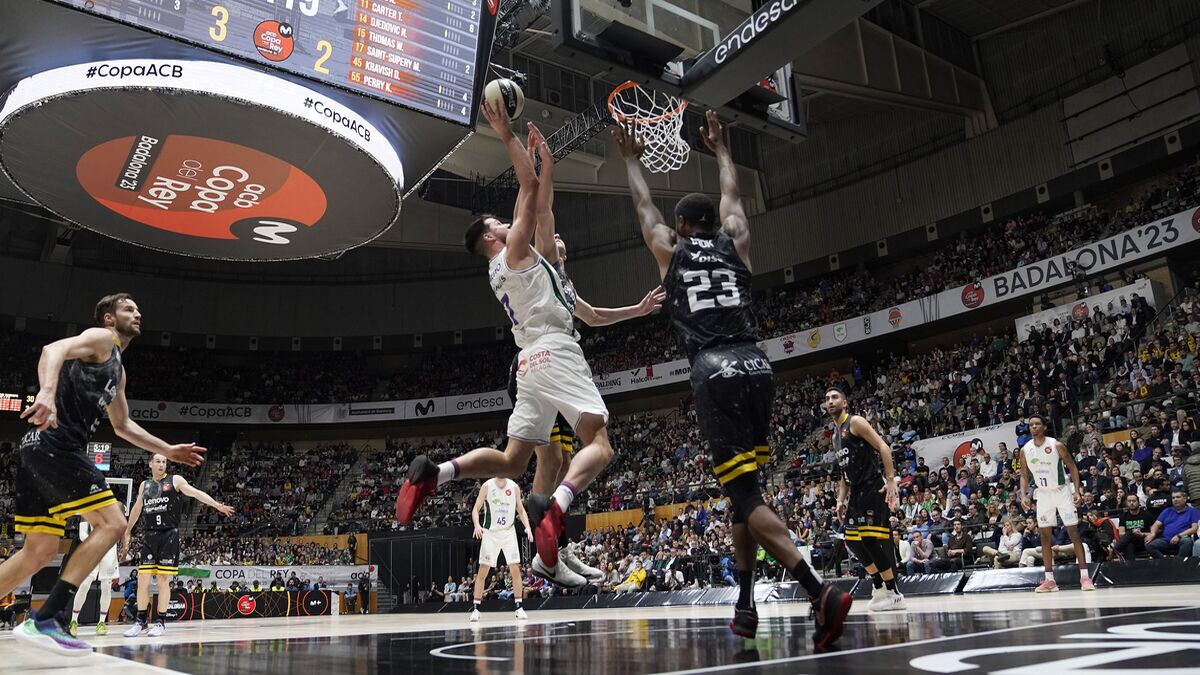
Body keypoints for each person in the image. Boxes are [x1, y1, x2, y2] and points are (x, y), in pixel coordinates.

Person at [614, 111, 851, 649]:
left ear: (680, 228)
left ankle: (819, 591)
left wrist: (631, 159)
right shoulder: (735, 242)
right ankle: (745, 604)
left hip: (714, 367)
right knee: (743, 493)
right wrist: (721, 149)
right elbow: (734, 198)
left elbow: (642, 207)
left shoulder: (669, 251)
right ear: (715, 225)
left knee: (744, 495)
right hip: (757, 364)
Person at [396, 102, 630, 581]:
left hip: (528, 362)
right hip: (556, 350)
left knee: (512, 459)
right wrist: (506, 136)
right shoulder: (514, 252)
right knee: (600, 445)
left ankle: (434, 473)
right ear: (489, 235)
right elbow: (526, 194)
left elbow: (541, 205)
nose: (507, 222)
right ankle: (555, 507)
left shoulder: (507, 269)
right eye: (497, 224)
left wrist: (547, 167)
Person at [0, 293, 206, 656]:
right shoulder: (101, 339)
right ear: (109, 318)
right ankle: (50, 619)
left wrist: (168, 449)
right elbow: (52, 350)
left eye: (138, 309)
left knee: (38, 552)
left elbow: (123, 425)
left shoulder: (118, 369)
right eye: (128, 309)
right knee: (113, 523)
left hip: (37, 449)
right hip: (57, 444)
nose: (137, 313)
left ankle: (47, 618)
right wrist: (47, 392)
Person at [510, 126, 660, 586]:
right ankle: (546, 550)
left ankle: (553, 550)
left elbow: (593, 316)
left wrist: (637, 308)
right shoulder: (539, 264)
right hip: (538, 365)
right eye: (553, 241)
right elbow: (542, 210)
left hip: (548, 366)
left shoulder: (563, 284)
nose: (559, 243)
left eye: (562, 245)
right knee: (551, 460)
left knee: (558, 461)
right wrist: (546, 168)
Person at [122, 453, 234, 638]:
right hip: (150, 535)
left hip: (169, 535)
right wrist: (127, 531)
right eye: (157, 461)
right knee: (142, 581)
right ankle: (140, 621)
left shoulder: (175, 480)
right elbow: (137, 508)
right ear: (150, 464)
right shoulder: (145, 485)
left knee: (163, 580)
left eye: (164, 462)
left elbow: (196, 493)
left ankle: (160, 622)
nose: (161, 464)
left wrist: (216, 505)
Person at [824, 386, 903, 611]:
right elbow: (844, 475)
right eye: (827, 398)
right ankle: (878, 585)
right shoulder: (835, 437)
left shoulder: (855, 422)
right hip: (856, 492)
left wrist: (890, 479)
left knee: (869, 540)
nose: (830, 401)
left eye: (835, 397)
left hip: (873, 487)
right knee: (852, 541)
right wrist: (840, 500)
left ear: (845, 403)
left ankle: (893, 591)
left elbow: (883, 447)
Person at [1020, 415, 1094, 592]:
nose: (1034, 427)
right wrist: (1023, 495)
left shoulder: (1056, 445)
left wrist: (1077, 490)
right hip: (1043, 494)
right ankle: (1049, 580)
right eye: (1031, 425)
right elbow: (1024, 475)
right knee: (1044, 536)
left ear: (1044, 427)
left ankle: (1084, 577)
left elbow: (1073, 467)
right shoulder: (1025, 449)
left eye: (1037, 424)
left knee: (1073, 532)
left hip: (1062, 491)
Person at [470, 477, 532, 621]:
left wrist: (527, 527)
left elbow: (521, 510)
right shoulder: (486, 486)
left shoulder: (514, 487)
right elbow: (475, 509)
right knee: (483, 570)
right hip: (490, 532)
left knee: (515, 568)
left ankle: (519, 607)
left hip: (508, 532)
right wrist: (477, 525)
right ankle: (476, 609)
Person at [68, 518, 122, 637]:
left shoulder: (113, 506)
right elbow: (82, 533)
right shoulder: (90, 507)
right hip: (92, 549)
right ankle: (73, 621)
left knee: (106, 587)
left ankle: (101, 623)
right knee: (84, 585)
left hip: (109, 550)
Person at [1143, 489, 1200, 558]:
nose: (1175, 499)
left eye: (1178, 497)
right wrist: (1152, 534)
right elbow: (1156, 525)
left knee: (1187, 541)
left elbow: (1194, 528)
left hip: (1182, 538)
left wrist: (1179, 536)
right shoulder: (1167, 511)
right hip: (1166, 540)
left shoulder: (1192, 511)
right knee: (1149, 544)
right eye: (1173, 498)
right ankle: (1165, 563)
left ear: (1185, 499)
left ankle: (1179, 563)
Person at [1114, 493, 1151, 560]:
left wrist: (1141, 534)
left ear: (1138, 502)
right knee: (1128, 545)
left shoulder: (1146, 514)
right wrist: (1132, 532)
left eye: (1134, 501)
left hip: (1143, 541)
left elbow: (1153, 533)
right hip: (1130, 541)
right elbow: (1121, 534)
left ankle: (1115, 549)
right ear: (1126, 503)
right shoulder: (1123, 516)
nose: (1131, 503)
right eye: (1129, 501)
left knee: (1130, 533)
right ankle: (1131, 567)